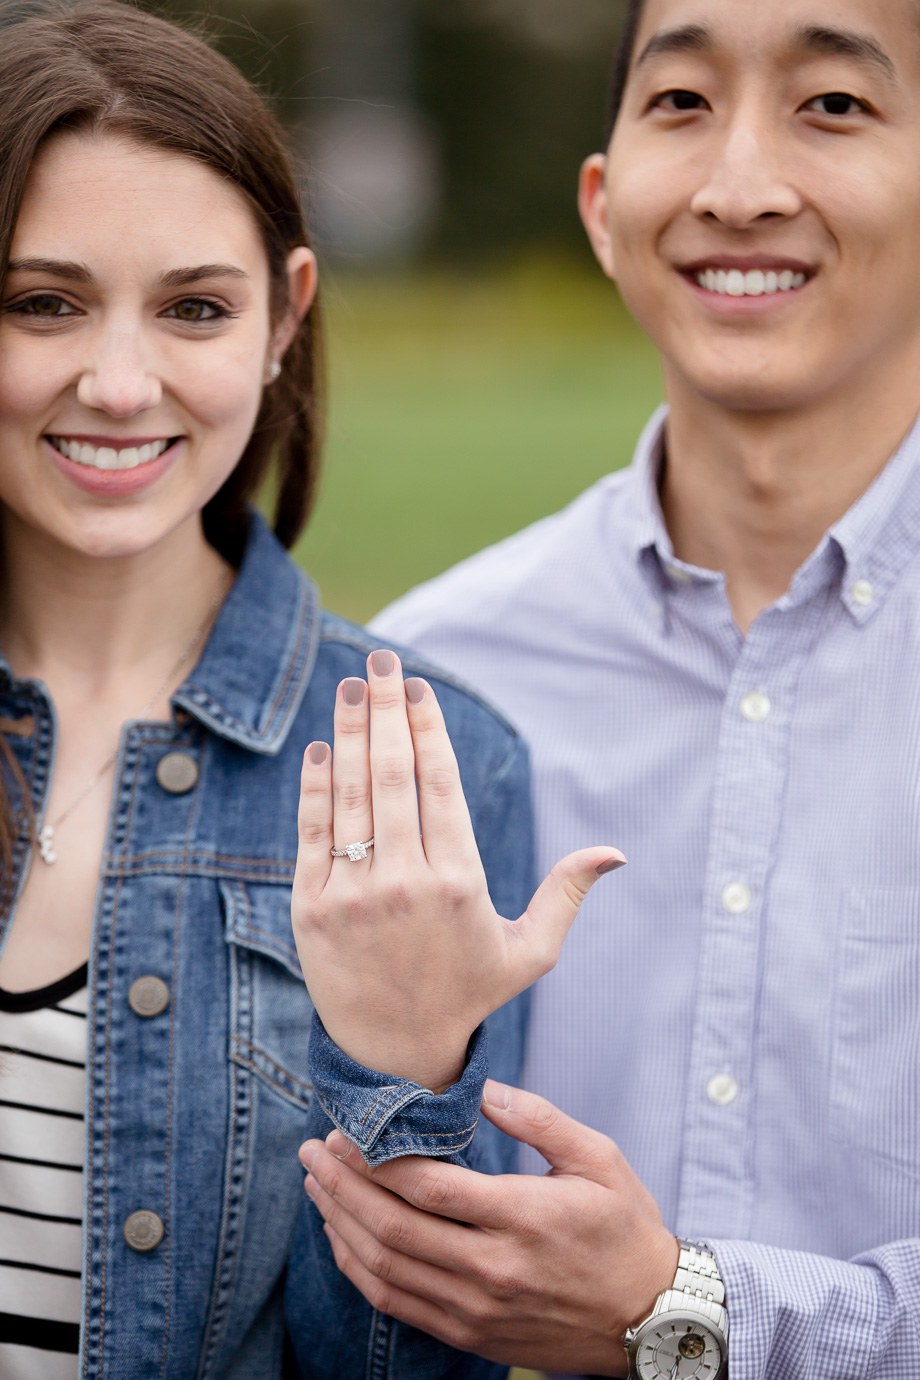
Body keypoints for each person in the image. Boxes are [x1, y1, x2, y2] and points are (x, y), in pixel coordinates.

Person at [0, 4, 628, 1376]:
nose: (117, 382)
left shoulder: (442, 768)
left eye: (194, 309)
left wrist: (402, 1070)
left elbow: (414, 1360)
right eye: (42, 302)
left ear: (285, 318)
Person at [297, 0, 920, 1376]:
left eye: (834, 106)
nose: (739, 186)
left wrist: (687, 1309)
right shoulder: (433, 684)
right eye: (681, 102)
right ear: (601, 203)